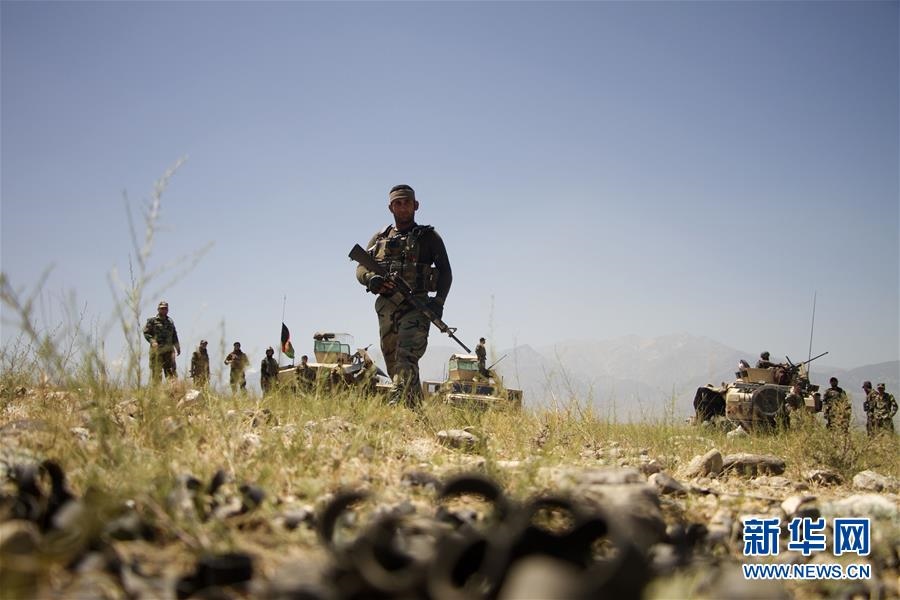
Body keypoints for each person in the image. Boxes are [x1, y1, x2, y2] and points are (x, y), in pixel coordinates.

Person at [355, 184, 452, 407]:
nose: (403, 207)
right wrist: (371, 279)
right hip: (387, 307)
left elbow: (446, 272)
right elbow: (360, 267)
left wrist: (439, 302)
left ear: (416, 205)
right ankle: (414, 411)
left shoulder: (429, 237)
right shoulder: (379, 238)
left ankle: (396, 403)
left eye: (407, 202)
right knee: (392, 360)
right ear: (391, 208)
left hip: (416, 306)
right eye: (397, 203)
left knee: (406, 356)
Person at [143, 301, 181, 384]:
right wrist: (152, 341)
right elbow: (146, 332)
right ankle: (156, 391)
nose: (164, 310)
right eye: (162, 308)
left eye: (165, 308)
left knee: (171, 373)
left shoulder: (170, 321)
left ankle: (173, 391)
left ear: (168, 310)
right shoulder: (152, 321)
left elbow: (174, 335)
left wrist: (177, 347)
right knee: (156, 374)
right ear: (158, 309)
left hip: (169, 352)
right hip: (157, 352)